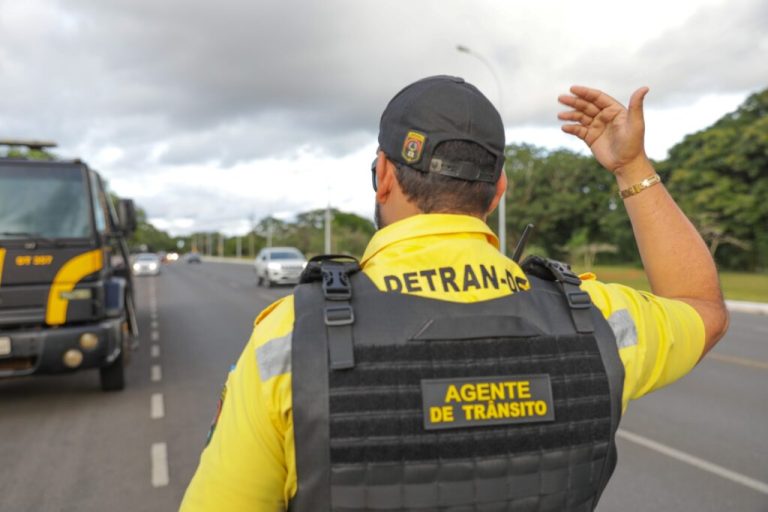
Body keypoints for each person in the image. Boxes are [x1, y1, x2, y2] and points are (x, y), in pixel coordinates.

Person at [181, 76, 728, 511]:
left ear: (384, 175)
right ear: (498, 190)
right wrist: (631, 166)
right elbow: (702, 307)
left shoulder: (289, 339)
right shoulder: (596, 319)